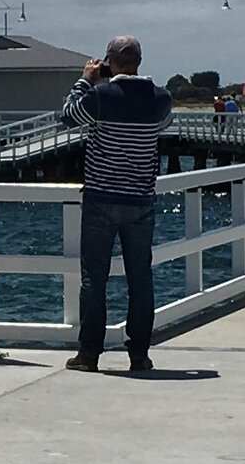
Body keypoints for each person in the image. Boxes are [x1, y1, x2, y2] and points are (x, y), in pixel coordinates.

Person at [61, 34, 172, 374]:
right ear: (139, 61)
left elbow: (67, 116)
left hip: (100, 198)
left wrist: (85, 80)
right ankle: (139, 354)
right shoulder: (160, 99)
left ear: (109, 61)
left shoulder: (99, 96)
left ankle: (89, 354)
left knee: (94, 279)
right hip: (140, 200)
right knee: (140, 279)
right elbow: (163, 125)